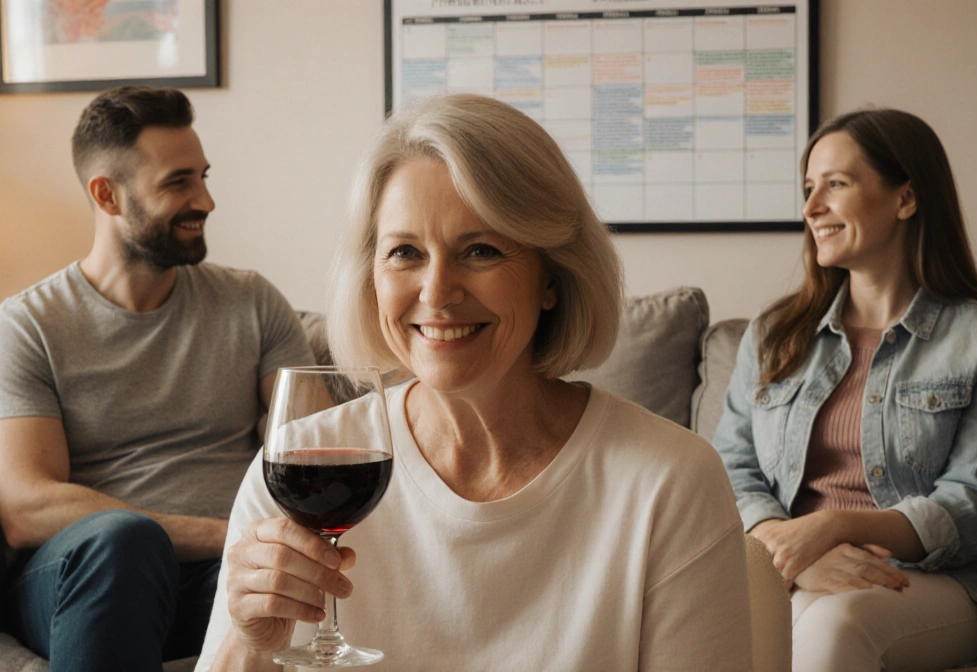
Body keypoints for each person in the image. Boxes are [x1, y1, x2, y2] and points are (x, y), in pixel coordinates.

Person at [194, 93, 752, 671]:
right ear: (371, 278)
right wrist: (252, 641)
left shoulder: (669, 482)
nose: (437, 292)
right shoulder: (293, 463)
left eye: (480, 250)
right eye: (405, 252)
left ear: (552, 278)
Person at [0, 85, 315, 671]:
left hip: (221, 573)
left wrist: (258, 549)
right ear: (106, 195)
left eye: (203, 177)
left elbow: (316, 445)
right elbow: (26, 508)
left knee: (287, 586)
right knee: (125, 540)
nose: (206, 200)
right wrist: (233, 533)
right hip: (91, 574)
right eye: (178, 182)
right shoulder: (23, 327)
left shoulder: (252, 303)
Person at [711, 108, 977, 672]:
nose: (811, 208)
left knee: (835, 627)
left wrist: (836, 525)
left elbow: (976, 503)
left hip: (934, 581)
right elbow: (729, 468)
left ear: (905, 199)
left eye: (835, 184)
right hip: (791, 570)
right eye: (809, 189)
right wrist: (791, 551)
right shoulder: (772, 334)